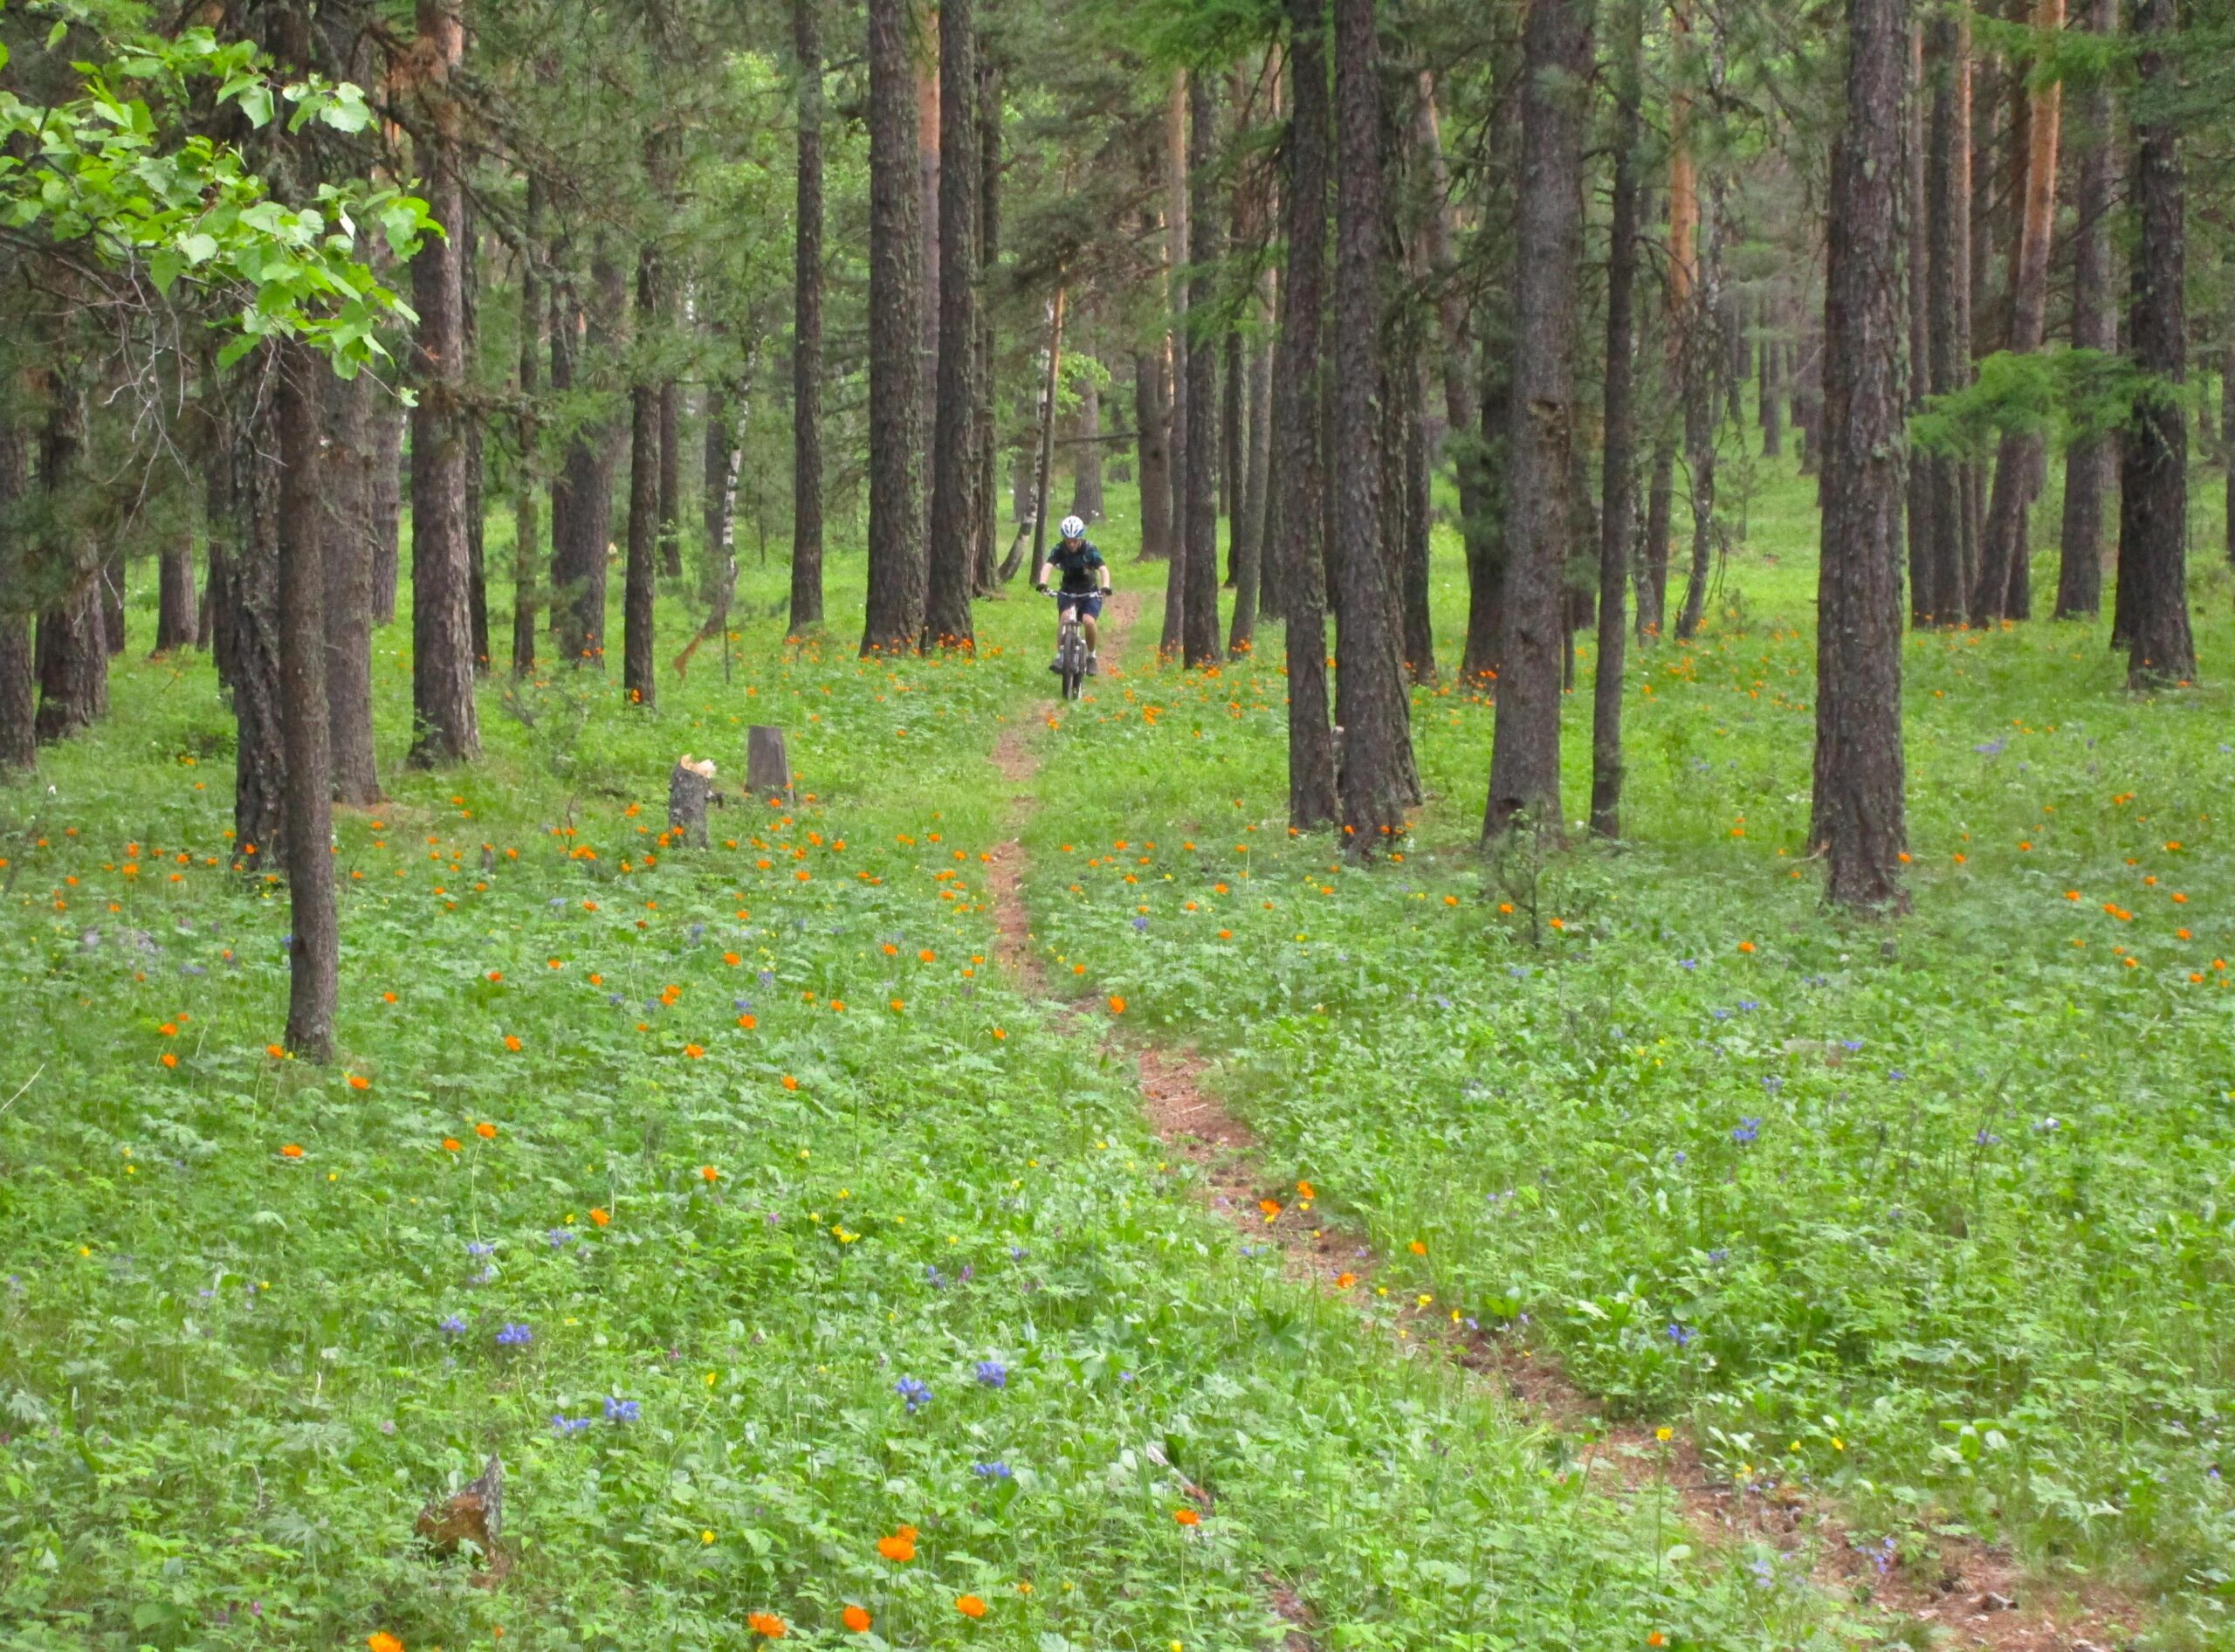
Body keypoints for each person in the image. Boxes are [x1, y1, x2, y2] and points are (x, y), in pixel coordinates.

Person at [1035, 515, 1111, 675]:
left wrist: (1105, 587)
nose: (1071, 544)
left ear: (1080, 537)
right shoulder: (1059, 549)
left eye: (1074, 540)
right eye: (1068, 540)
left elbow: (1103, 569)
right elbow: (1048, 565)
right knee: (1065, 618)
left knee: (1088, 622)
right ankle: (1061, 656)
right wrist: (1043, 583)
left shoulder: (1090, 549)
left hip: (1089, 592)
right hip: (1068, 591)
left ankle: (1091, 657)